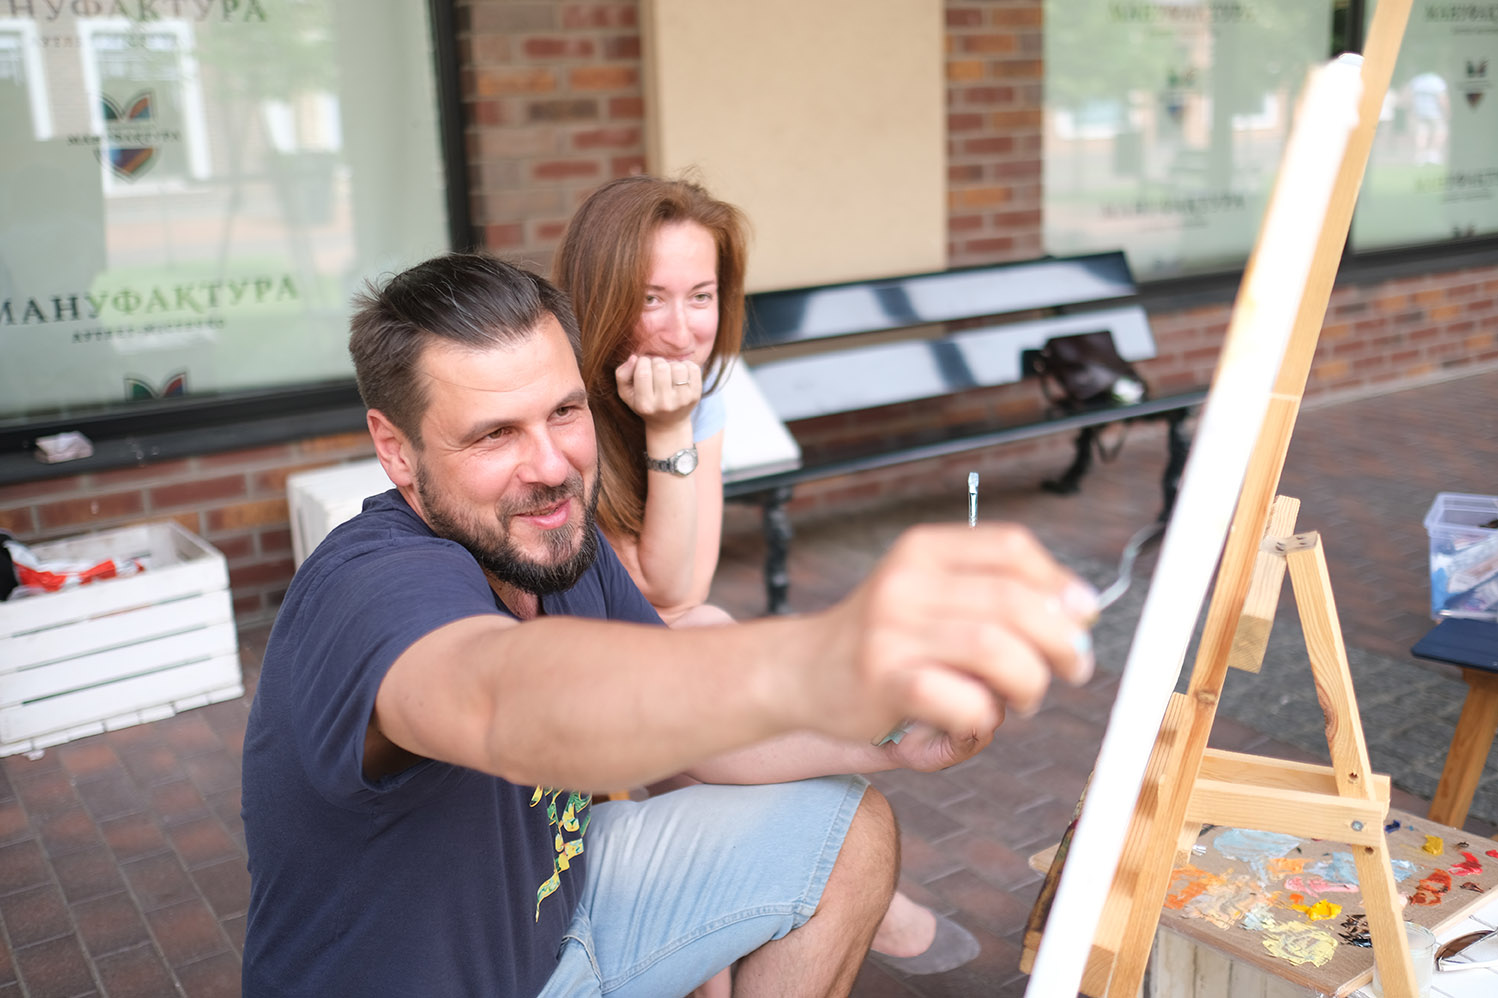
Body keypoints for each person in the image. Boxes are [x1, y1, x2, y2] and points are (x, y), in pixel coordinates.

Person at [240, 252, 1098, 996]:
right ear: (396, 450)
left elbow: (688, 743)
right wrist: (825, 657)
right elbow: (502, 698)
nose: (552, 466)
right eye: (495, 434)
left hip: (559, 919)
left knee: (849, 831)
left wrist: (888, 736)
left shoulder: (550, 541)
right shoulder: (369, 587)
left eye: (564, 412)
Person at [554, 174, 984, 976]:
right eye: (651, 299)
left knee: (705, 635)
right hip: (555, 677)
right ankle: (882, 772)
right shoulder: (561, 406)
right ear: (601, 297)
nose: (682, 329)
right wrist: (669, 430)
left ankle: (884, 748)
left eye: (702, 296)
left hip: (649, 660)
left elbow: (685, 584)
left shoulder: (699, 388)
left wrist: (679, 421)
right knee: (701, 642)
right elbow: (662, 594)